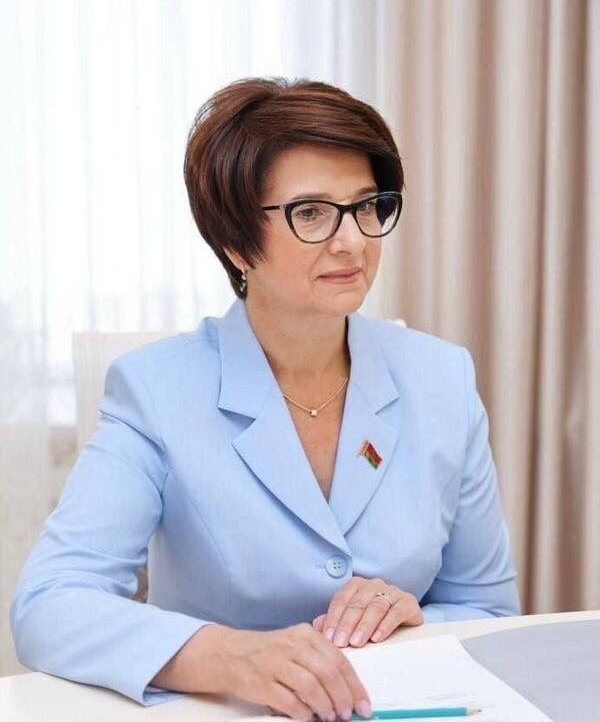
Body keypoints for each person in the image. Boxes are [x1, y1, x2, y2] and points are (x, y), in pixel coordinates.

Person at [9, 76, 521, 722]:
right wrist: (227, 656)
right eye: (311, 213)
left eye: (368, 206)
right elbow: (50, 604)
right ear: (234, 242)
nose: (353, 241)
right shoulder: (156, 391)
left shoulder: (441, 377)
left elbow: (488, 609)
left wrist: (415, 618)